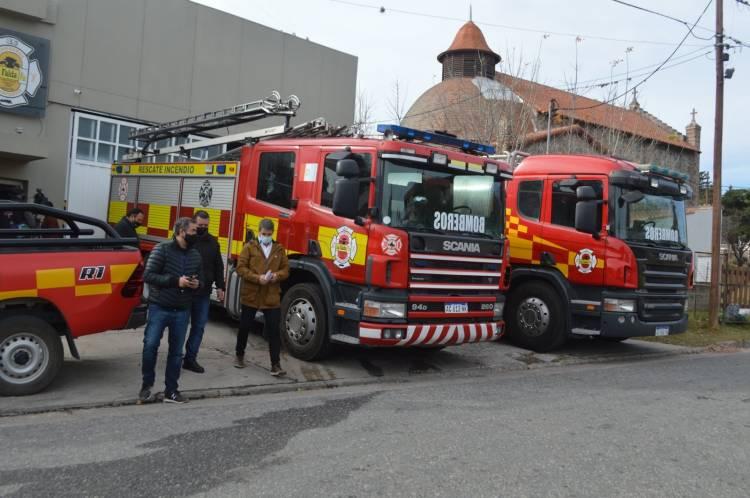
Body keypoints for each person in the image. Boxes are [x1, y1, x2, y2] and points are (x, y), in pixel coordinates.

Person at [139, 217, 202, 404]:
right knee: (150, 346)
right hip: (160, 307)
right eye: (193, 231)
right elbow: (148, 276)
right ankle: (146, 387)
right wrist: (176, 281)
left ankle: (171, 391)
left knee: (176, 352)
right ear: (181, 232)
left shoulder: (195, 255)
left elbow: (203, 281)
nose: (195, 234)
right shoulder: (162, 249)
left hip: (182, 310)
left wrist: (197, 284)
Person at [234, 218, 289, 376]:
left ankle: (275, 364)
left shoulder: (278, 249)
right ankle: (239, 355)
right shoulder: (249, 247)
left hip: (271, 296)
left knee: (274, 331)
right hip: (251, 294)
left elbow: (286, 270)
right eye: (264, 234)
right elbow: (240, 268)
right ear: (259, 232)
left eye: (269, 234)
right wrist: (257, 278)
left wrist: (276, 276)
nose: (266, 237)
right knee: (245, 326)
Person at [183, 210, 226, 374]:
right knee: (180, 326)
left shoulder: (213, 242)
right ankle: (175, 357)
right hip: (185, 292)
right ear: (194, 224)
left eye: (206, 226)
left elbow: (218, 266)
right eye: (200, 225)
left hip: (204, 293)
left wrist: (221, 286)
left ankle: (190, 359)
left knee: (199, 327)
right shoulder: (187, 241)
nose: (203, 228)